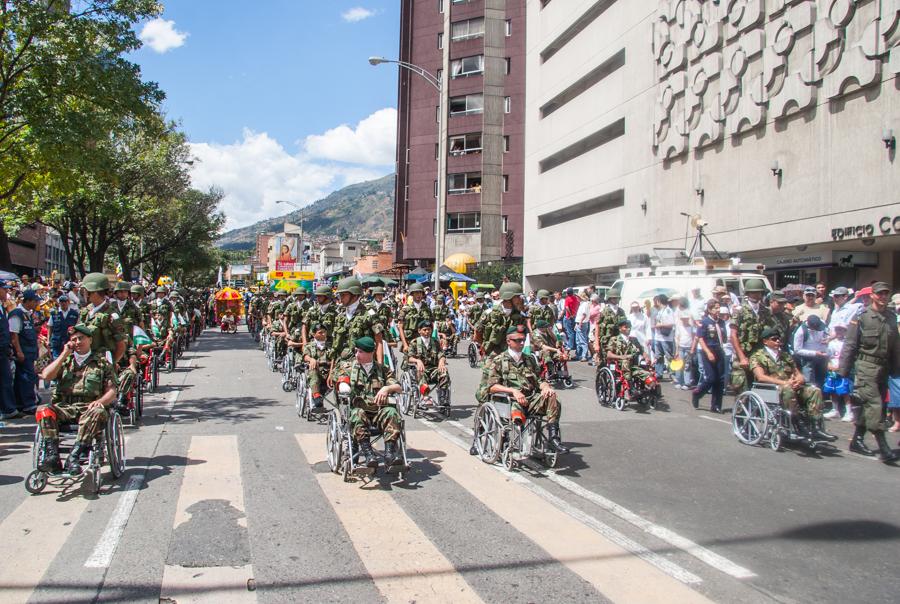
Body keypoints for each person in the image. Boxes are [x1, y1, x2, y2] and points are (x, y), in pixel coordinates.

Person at [34, 324, 117, 475]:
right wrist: (64, 355)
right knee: (43, 410)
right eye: (74, 339)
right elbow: (46, 376)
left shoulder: (101, 363)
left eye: (81, 338)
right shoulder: (66, 361)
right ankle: (52, 456)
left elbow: (112, 390)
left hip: (89, 407)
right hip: (66, 407)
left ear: (90, 340)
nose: (77, 342)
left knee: (97, 411)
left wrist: (101, 401)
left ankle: (74, 456)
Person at [838, 281, 899, 462]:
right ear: (872, 295)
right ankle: (883, 446)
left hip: (884, 368)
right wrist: (843, 371)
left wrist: (897, 368)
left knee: (869, 407)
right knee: (875, 406)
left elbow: (896, 346)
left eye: (885, 294)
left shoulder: (890, 317)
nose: (883, 297)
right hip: (866, 368)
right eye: (879, 294)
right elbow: (850, 345)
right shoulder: (862, 317)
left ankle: (856, 440)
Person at [483, 325, 568, 453]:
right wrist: (513, 391)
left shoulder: (529, 360)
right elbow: (492, 387)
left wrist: (545, 387)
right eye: (517, 340)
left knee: (552, 397)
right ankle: (506, 438)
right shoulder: (499, 360)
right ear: (508, 342)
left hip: (531, 399)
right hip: (511, 401)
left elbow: (539, 380)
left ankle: (553, 439)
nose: (521, 343)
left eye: (523, 340)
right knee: (516, 411)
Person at [751, 327, 834, 442]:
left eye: (779, 339)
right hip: (772, 389)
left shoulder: (785, 355)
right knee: (787, 389)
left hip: (791, 386)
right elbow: (761, 377)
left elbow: (798, 373)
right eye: (774, 339)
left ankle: (816, 427)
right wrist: (785, 383)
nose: (778, 341)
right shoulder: (757, 356)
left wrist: (799, 380)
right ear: (765, 341)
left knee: (815, 391)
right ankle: (798, 423)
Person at [341, 336, 403, 468]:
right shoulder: (349, 368)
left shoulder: (382, 369)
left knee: (392, 412)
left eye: (361, 352)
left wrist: (387, 388)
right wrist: (343, 384)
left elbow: (398, 387)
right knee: (357, 414)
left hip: (378, 412)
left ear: (371, 353)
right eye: (356, 351)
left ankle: (389, 454)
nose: (357, 354)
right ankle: (369, 454)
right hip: (358, 411)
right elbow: (340, 379)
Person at [730, 279, 771, 393]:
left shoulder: (765, 311)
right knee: (741, 385)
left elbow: (769, 332)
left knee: (760, 385)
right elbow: (733, 335)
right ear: (748, 293)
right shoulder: (739, 310)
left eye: (759, 292)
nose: (757, 295)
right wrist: (742, 357)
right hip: (743, 352)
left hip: (759, 352)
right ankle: (742, 409)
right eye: (754, 292)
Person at [9, 288, 41, 414]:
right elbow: (14, 335)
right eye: (35, 301)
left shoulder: (28, 314)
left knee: (25, 377)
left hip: (30, 351)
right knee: (26, 378)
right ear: (28, 301)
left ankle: (21, 402)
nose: (37, 304)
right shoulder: (17, 314)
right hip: (23, 352)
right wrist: (19, 351)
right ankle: (28, 404)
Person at [406, 320, 451, 408]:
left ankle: (443, 397)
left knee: (444, 372)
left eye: (429, 330)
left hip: (433, 370)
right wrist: (418, 361)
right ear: (419, 331)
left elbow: (441, 354)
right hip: (421, 370)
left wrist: (441, 361)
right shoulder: (414, 343)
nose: (427, 332)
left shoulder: (435, 342)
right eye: (424, 330)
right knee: (421, 372)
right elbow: (410, 357)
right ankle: (425, 397)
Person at [692, 300, 727, 412]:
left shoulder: (721, 322)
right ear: (710, 310)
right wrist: (708, 352)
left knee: (720, 380)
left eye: (718, 308)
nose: (718, 310)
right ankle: (698, 393)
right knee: (711, 378)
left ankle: (716, 405)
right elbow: (700, 339)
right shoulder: (705, 322)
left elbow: (724, 337)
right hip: (708, 350)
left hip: (719, 350)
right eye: (715, 308)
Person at [606, 319, 652, 389]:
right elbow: (609, 354)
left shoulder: (634, 340)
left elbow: (642, 351)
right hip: (619, 365)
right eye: (626, 327)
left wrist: (646, 357)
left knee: (648, 375)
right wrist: (622, 357)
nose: (628, 329)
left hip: (633, 366)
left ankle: (651, 390)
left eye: (629, 327)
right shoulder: (614, 339)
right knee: (625, 362)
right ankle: (630, 387)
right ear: (620, 329)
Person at [301, 323, 332, 414]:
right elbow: (305, 356)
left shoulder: (330, 345)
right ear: (314, 334)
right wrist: (311, 359)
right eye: (320, 332)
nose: (323, 334)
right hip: (316, 371)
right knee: (313, 369)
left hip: (328, 371)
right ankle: (316, 395)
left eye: (324, 332)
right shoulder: (310, 345)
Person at [793, 315, 829, 388]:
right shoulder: (801, 332)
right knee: (809, 381)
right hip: (808, 359)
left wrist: (827, 339)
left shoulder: (821, 323)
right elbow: (797, 350)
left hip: (822, 357)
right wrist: (815, 353)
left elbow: (827, 333)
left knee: (822, 379)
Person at [0, 280, 19, 419]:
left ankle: (8, 408)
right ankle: (7, 409)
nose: (7, 292)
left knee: (5, 379)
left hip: (3, 350)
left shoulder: (3, 307)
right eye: (4, 289)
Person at [397, 283, 433, 352]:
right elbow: (400, 327)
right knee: (410, 361)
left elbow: (431, 325)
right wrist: (404, 344)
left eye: (420, 293)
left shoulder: (427, 309)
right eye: (416, 293)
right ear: (412, 294)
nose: (419, 295)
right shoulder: (406, 309)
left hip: (424, 341)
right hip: (409, 341)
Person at [48, 294, 79, 359]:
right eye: (62, 301)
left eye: (65, 301)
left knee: (69, 360)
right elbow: (50, 327)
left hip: (69, 341)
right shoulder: (54, 313)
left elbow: (78, 327)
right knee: (56, 360)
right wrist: (48, 340)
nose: (63, 303)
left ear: (68, 302)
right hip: (57, 341)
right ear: (59, 303)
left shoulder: (75, 313)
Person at [652, 294, 675, 379]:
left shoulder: (668, 310)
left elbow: (671, 324)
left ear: (659, 301)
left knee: (669, 356)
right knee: (658, 356)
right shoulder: (660, 311)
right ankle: (659, 373)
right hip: (658, 337)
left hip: (666, 338)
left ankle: (673, 373)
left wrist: (660, 325)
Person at [562, 288, 579, 353]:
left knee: (570, 332)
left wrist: (570, 314)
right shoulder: (575, 298)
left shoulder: (567, 299)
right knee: (574, 332)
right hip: (575, 316)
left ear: (567, 293)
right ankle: (573, 345)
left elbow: (567, 307)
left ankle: (570, 345)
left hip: (569, 317)